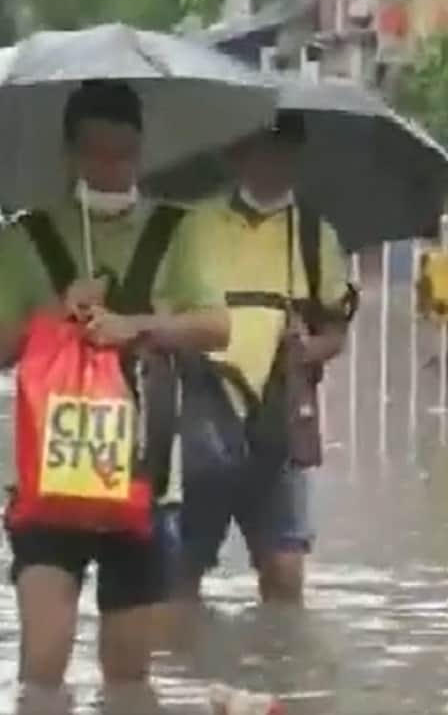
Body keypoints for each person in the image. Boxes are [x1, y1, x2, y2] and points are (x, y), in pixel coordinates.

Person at [0, 80, 232, 698]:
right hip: (48, 481)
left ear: (142, 154)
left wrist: (136, 326)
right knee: (42, 667)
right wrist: (54, 313)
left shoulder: (175, 230)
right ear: (70, 155)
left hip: (139, 480)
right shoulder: (30, 236)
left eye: (125, 155)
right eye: (97, 153)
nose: (112, 169)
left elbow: (217, 327)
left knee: (129, 677)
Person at [177, 112, 356, 606]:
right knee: (181, 570)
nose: (273, 164)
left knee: (285, 571)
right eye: (263, 151)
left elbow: (336, 331)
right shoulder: (194, 227)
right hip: (204, 412)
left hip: (281, 415)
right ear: (236, 155)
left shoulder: (315, 235)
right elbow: (163, 313)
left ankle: (277, 654)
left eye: (284, 153)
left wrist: (310, 349)